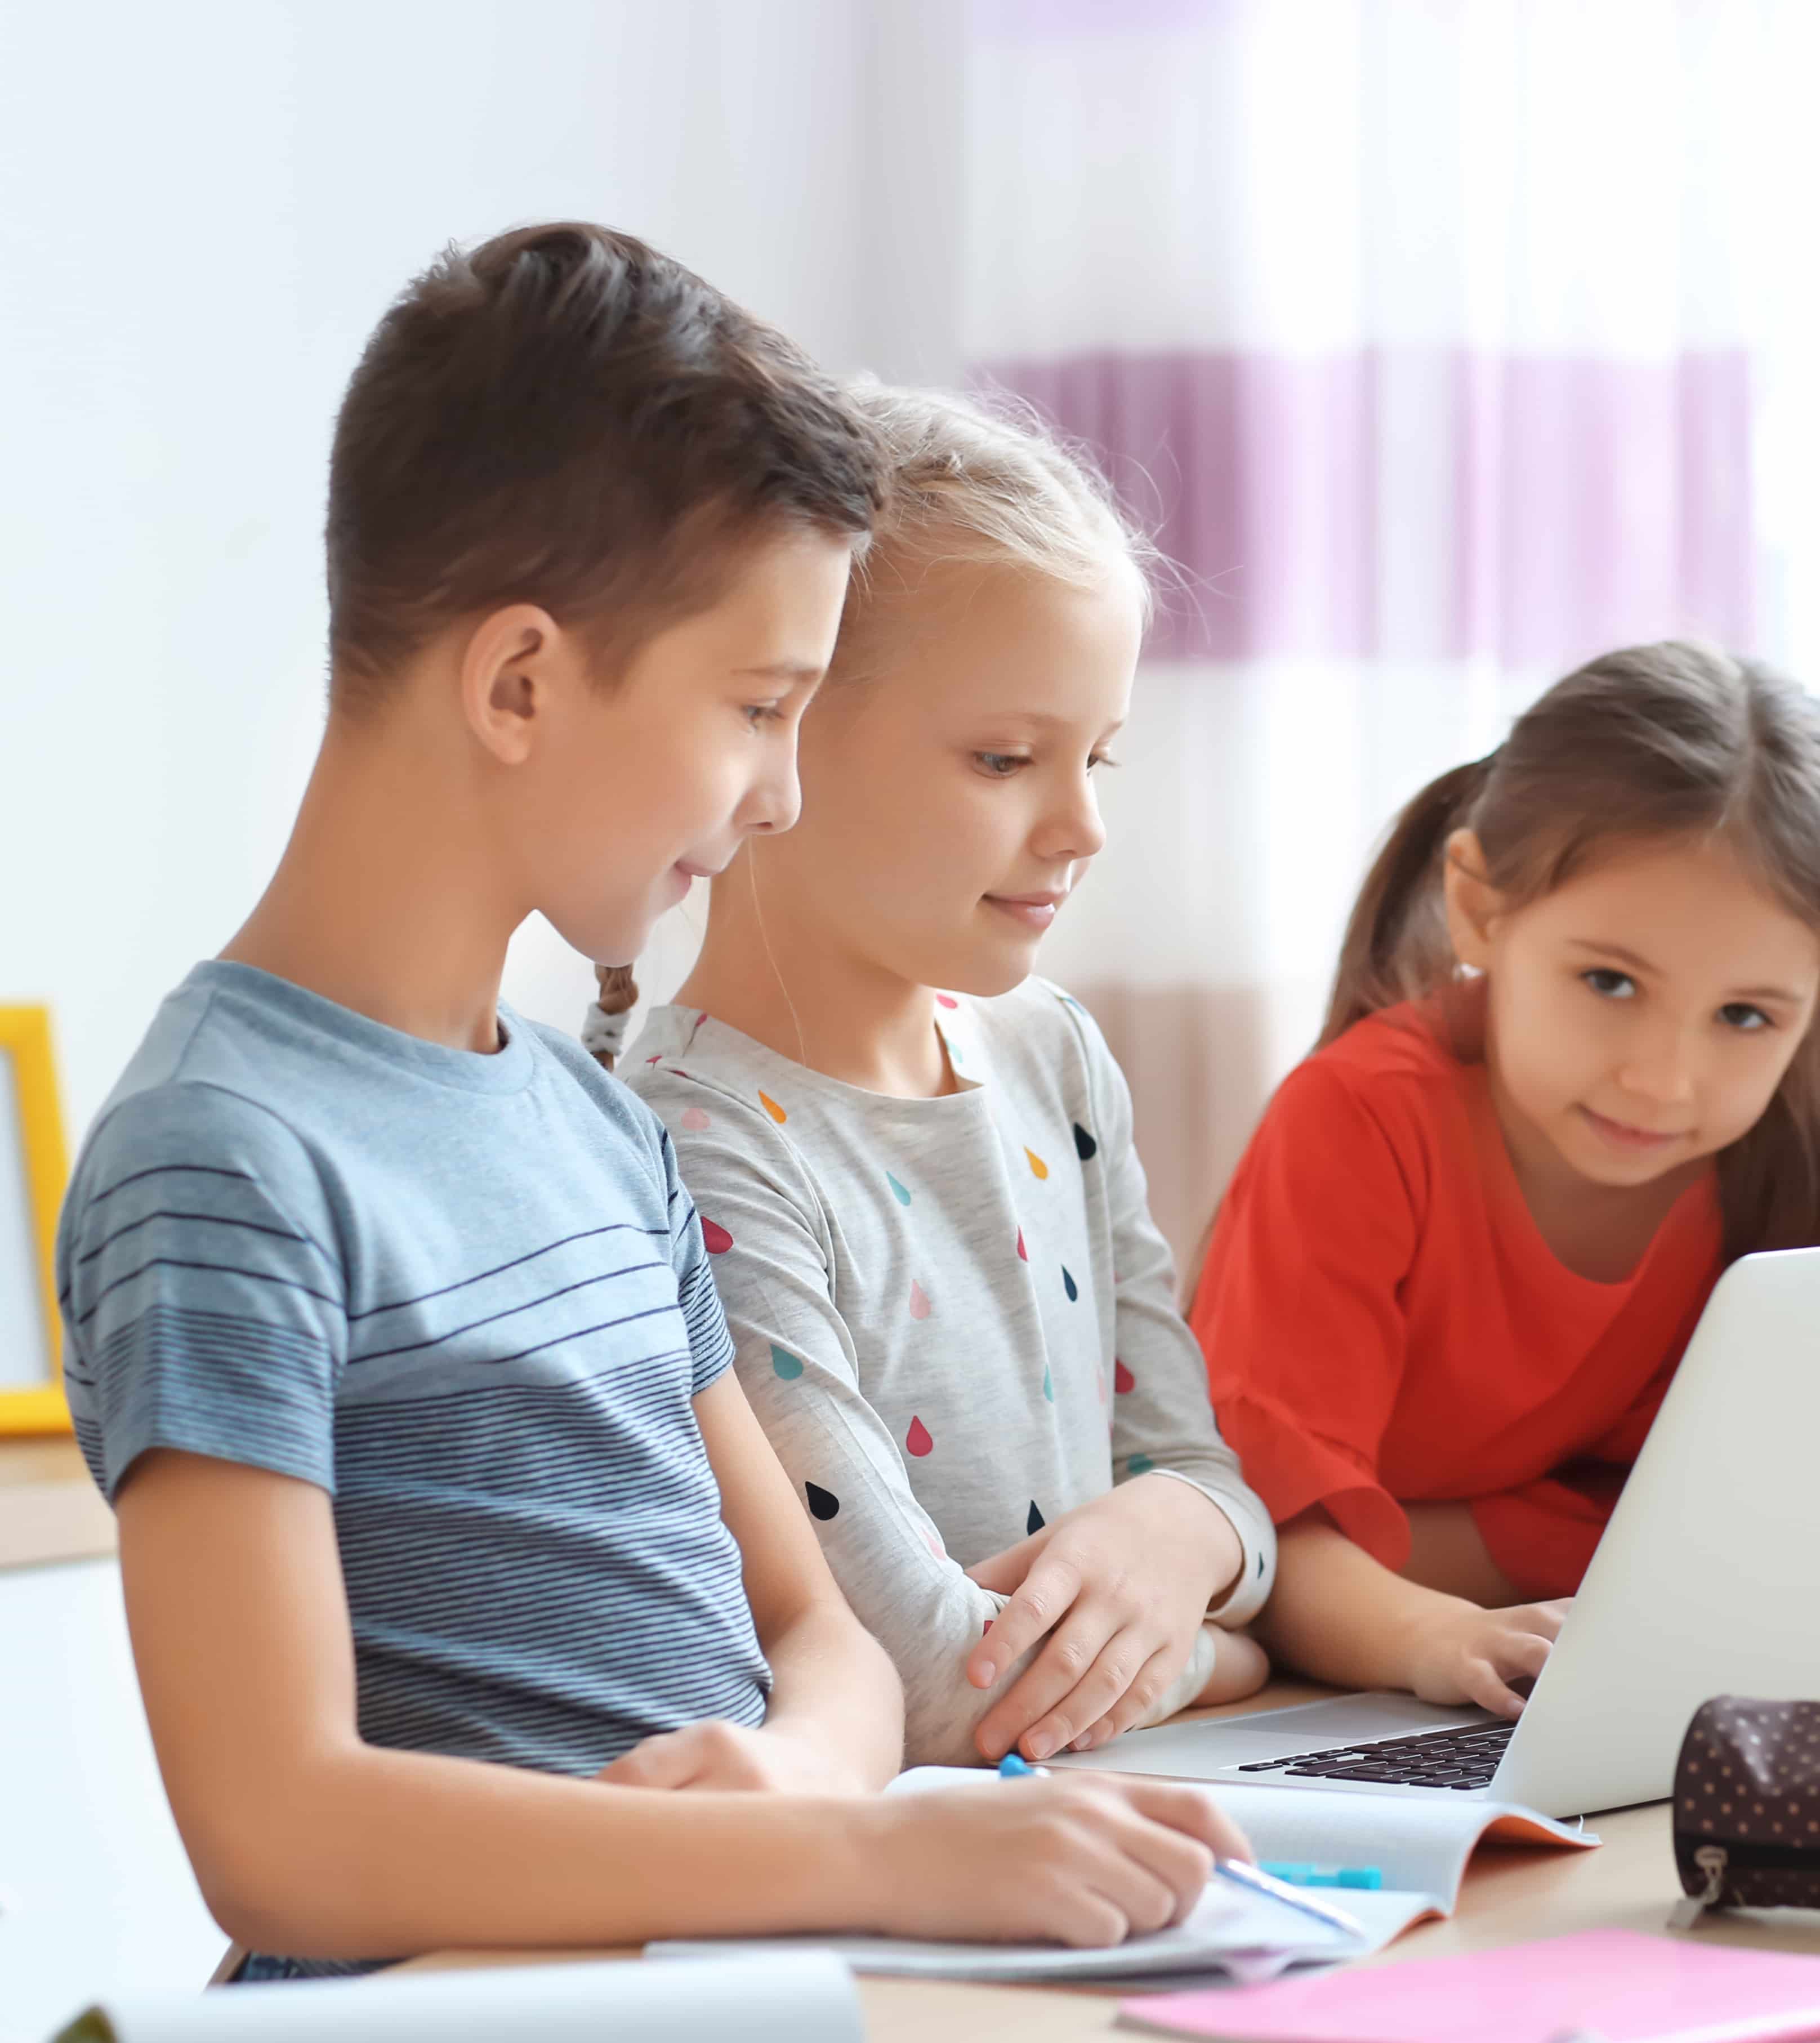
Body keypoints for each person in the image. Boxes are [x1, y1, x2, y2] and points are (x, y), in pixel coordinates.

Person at [56, 224, 1243, 1979]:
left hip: (747, 1970)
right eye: (762, 709)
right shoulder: (224, 1157)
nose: (779, 796)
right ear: (520, 680)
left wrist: (797, 1784)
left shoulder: (594, 1125)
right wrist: (849, 1856)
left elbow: (815, 1631)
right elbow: (283, 1837)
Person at [618, 384, 1274, 1773]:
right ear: (780, 730)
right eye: (1005, 757)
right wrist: (1228, 1647)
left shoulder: (1057, 1055)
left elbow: (1213, 1489)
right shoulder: (696, 1139)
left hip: (1127, 1809)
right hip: (911, 1896)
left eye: (1096, 757)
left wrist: (1181, 1534)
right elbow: (940, 1687)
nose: (1084, 823)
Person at [1193, 643, 1820, 1714]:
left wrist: (1473, 1542)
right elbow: (1256, 1551)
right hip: (1350, 1681)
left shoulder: (1798, 1160)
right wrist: (1443, 1624)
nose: (1663, 1081)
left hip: (1619, 1674)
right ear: (1479, 908)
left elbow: (1770, 1530)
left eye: (1747, 1015)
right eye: (1609, 982)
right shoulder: (1362, 1119)